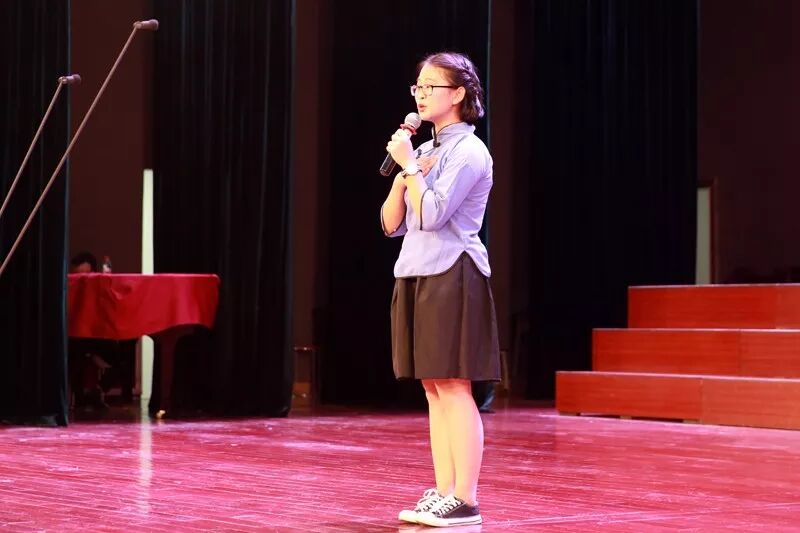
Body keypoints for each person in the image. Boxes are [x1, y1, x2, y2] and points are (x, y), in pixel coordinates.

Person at [381, 51, 500, 528]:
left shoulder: (469, 151)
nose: (422, 94)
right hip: (415, 270)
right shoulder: (426, 150)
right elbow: (391, 224)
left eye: (432, 86)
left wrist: (411, 169)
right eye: (419, 86)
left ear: (459, 94)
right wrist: (403, 173)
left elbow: (432, 216)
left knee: (453, 384)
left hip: (454, 271)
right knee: (432, 387)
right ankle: (444, 489)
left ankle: (466, 498)